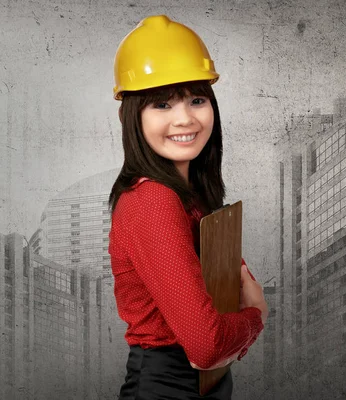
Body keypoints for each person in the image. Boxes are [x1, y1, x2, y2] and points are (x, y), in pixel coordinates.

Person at [107, 15, 269, 400]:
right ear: (131, 116)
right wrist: (256, 316)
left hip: (200, 387)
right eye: (161, 104)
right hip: (167, 386)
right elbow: (206, 346)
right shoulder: (152, 200)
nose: (185, 119)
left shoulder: (190, 196)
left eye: (197, 99)